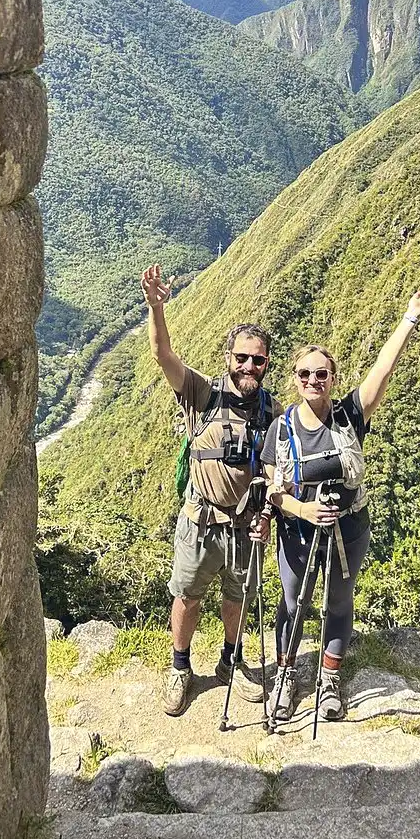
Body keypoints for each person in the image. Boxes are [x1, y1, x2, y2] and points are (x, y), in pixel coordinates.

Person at [262, 288, 420, 723]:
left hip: (349, 529)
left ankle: (329, 678)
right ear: (294, 378)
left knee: (338, 603)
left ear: (334, 378)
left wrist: (409, 318)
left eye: (321, 374)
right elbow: (274, 492)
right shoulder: (280, 430)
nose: (313, 381)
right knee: (293, 602)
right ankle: (287, 674)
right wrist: (304, 511)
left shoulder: (349, 416)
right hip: (299, 532)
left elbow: (383, 370)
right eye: (305, 374)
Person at [141, 263, 280, 717]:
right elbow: (164, 355)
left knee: (237, 597)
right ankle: (180, 667)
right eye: (241, 357)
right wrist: (156, 308)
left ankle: (230, 661)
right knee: (187, 595)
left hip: (246, 527)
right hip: (200, 522)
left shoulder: (272, 411)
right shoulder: (204, 394)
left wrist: (270, 513)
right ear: (228, 358)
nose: (248, 366)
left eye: (257, 360)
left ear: (266, 365)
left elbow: (278, 471)